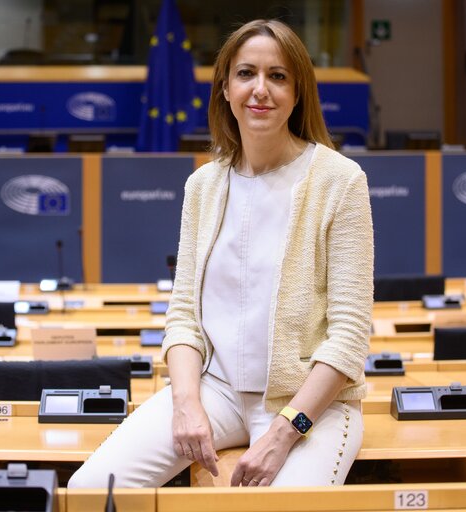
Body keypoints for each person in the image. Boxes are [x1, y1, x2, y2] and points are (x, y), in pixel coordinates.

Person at [68, 18, 373, 489]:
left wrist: (284, 432)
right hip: (215, 392)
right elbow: (185, 316)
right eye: (246, 73)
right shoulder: (203, 185)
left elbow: (349, 335)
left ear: (298, 92)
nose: (260, 90)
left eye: (278, 76)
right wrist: (186, 404)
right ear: (225, 88)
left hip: (311, 406)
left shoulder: (341, 180)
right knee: (91, 490)